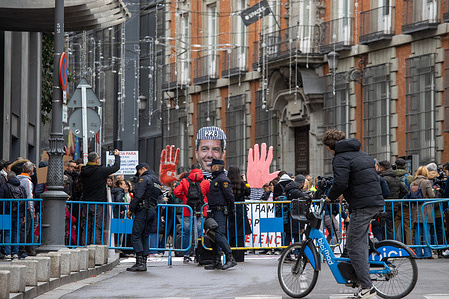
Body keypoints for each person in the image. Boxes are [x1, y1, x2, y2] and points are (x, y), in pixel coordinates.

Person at [323, 129, 384, 299]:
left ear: (330, 147)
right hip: (372, 200)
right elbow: (359, 178)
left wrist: (329, 197)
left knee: (353, 245)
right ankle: (359, 278)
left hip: (362, 204)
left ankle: (367, 287)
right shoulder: (361, 153)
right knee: (361, 243)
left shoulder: (340, 158)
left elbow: (340, 182)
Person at [126, 163, 163, 272]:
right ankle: (144, 262)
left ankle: (139, 262)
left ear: (143, 169)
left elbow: (138, 195)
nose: (138, 174)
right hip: (152, 209)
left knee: (136, 235)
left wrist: (131, 209)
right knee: (145, 236)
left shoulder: (145, 179)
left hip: (143, 210)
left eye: (139, 172)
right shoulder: (157, 181)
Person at [79, 150, 120, 245]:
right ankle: (95, 247)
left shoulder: (83, 171)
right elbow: (116, 167)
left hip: (86, 203)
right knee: (96, 225)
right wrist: (117, 156)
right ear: (97, 160)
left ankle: (84, 245)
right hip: (97, 202)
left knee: (86, 226)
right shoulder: (100, 171)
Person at [204, 159, 237, 270]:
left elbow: (230, 196)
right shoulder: (216, 179)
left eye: (212, 166)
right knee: (212, 235)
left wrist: (231, 210)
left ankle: (230, 257)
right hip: (214, 210)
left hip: (220, 211)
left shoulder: (223, 179)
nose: (210, 167)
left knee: (219, 234)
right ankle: (216, 260)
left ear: (217, 167)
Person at [174, 163, 210, 264]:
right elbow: (209, 194)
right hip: (201, 210)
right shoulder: (206, 182)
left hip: (188, 210)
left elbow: (176, 192)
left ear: (191, 170)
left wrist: (185, 198)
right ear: (200, 169)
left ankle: (186, 255)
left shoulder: (185, 181)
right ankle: (199, 254)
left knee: (187, 233)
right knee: (200, 232)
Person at [378, 160, 408, 241]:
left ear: (381, 168)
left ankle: (388, 245)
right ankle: (390, 244)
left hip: (385, 206)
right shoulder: (396, 178)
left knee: (386, 228)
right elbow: (405, 190)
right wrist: (397, 197)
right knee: (391, 227)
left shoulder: (384, 179)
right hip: (394, 206)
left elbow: (383, 192)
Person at [227, 166, 251, 262]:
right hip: (240, 210)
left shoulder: (227, 182)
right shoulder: (241, 184)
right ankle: (240, 256)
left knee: (231, 232)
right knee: (240, 233)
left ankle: (231, 254)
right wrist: (245, 181)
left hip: (230, 209)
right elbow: (248, 192)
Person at [0, 171, 26, 260]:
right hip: (19, 214)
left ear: (7, 178)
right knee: (16, 233)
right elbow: (24, 202)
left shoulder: (4, 187)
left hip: (6, 213)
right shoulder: (21, 188)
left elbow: (1, 201)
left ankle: (7, 253)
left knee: (7, 233)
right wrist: (24, 215)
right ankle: (16, 253)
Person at [410, 166, 435, 259]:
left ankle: (418, 253)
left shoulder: (413, 182)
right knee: (426, 231)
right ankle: (428, 253)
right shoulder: (426, 182)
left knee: (417, 231)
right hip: (425, 209)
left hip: (416, 209)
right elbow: (432, 196)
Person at [16, 161, 36, 257]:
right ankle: (22, 249)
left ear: (23, 169)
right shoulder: (27, 181)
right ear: (31, 170)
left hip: (17, 206)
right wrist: (32, 211)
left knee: (18, 228)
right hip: (26, 208)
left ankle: (18, 248)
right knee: (25, 229)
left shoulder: (16, 178)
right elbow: (29, 196)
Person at [394, 158, 413, 244]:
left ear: (396, 165)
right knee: (408, 227)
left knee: (393, 227)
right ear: (405, 166)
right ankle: (410, 247)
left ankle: (393, 245)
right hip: (406, 205)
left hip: (394, 205)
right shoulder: (409, 178)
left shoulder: (392, 176)